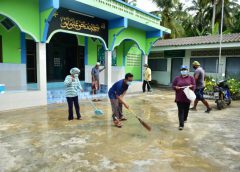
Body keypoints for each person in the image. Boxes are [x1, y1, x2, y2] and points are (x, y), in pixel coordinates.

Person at [172, 65, 195, 130]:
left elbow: (194, 86)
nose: (183, 71)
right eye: (182, 70)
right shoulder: (177, 78)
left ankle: (185, 118)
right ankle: (181, 125)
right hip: (179, 98)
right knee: (180, 111)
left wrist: (191, 86)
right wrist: (175, 87)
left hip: (187, 97)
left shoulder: (191, 78)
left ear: (187, 70)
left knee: (186, 110)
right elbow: (173, 86)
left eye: (185, 70)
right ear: (180, 71)